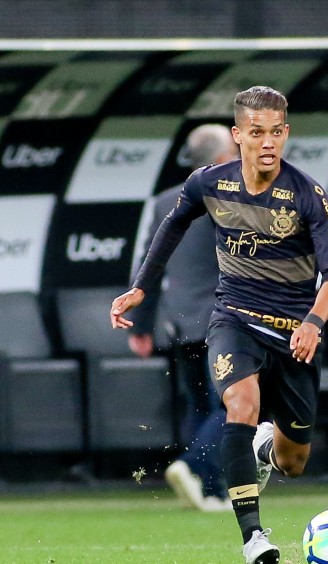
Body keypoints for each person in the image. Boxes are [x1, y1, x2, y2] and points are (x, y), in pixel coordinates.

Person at [110, 85, 328, 564]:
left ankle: (265, 446)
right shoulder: (208, 183)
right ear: (238, 135)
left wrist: (313, 322)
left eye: (276, 132)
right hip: (234, 319)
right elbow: (170, 228)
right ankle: (253, 537)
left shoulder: (307, 195)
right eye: (256, 132)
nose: (267, 142)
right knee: (239, 405)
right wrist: (139, 289)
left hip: (294, 333)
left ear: (286, 134)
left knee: (293, 460)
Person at [127, 124, 238, 513]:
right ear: (223, 160)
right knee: (234, 404)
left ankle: (210, 491)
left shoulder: (164, 201)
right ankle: (193, 468)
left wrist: (141, 326)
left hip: (180, 322)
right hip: (221, 320)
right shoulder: (226, 199)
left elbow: (149, 266)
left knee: (200, 406)